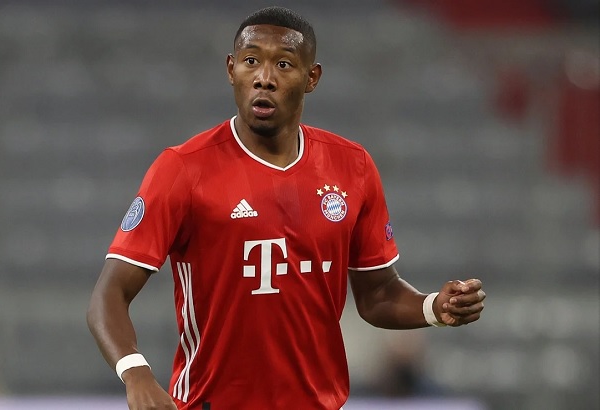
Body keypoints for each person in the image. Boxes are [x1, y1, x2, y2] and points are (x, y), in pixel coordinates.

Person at [87, 6, 486, 410]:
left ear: (312, 77)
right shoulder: (183, 169)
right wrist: (135, 373)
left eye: (283, 64)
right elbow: (109, 294)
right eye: (251, 61)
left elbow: (378, 293)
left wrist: (433, 307)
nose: (264, 77)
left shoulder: (353, 166)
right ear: (231, 69)